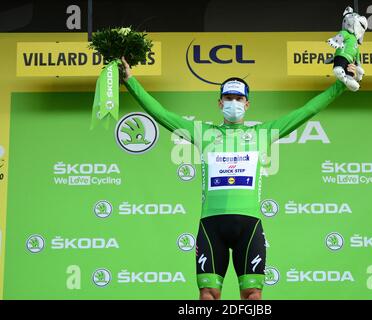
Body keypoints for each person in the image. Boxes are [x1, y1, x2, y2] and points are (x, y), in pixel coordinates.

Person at [120, 56, 358, 300]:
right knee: (208, 295)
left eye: (238, 98)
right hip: (212, 225)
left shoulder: (262, 133)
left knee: (253, 295)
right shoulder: (203, 133)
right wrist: (130, 81)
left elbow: (307, 110)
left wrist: (341, 84)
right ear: (220, 103)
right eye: (228, 98)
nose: (233, 102)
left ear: (247, 104)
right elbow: (160, 113)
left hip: (249, 226)